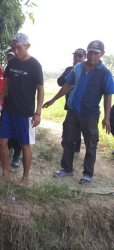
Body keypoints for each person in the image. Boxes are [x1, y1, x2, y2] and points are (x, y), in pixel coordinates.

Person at [43, 40, 114, 185]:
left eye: (95, 52)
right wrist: (53, 100)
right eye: (90, 52)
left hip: (90, 115)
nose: (92, 55)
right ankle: (67, 169)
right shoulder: (78, 68)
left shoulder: (105, 73)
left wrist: (107, 117)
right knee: (68, 140)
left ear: (102, 54)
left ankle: (87, 174)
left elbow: (108, 96)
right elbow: (68, 85)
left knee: (90, 145)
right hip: (72, 112)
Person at [0, 33, 44, 187]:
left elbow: (41, 90)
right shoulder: (12, 63)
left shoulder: (35, 65)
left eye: (19, 48)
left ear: (28, 46)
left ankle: (26, 178)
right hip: (8, 110)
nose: (16, 51)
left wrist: (38, 113)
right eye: (14, 48)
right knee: (1, 141)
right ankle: (6, 174)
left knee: (24, 145)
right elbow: (7, 83)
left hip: (25, 113)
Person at [57, 48, 87, 153]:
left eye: (80, 56)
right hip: (70, 104)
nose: (77, 58)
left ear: (85, 57)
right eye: (75, 56)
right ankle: (72, 148)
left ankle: (76, 148)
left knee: (80, 127)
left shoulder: (88, 70)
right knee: (71, 126)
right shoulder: (70, 69)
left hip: (85, 106)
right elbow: (60, 82)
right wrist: (72, 71)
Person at [4, 49, 22, 168]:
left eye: (12, 56)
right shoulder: (8, 68)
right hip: (7, 104)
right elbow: (5, 85)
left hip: (20, 107)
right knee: (6, 131)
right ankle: (8, 147)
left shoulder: (23, 68)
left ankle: (17, 156)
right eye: (8, 56)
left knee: (18, 133)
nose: (10, 58)